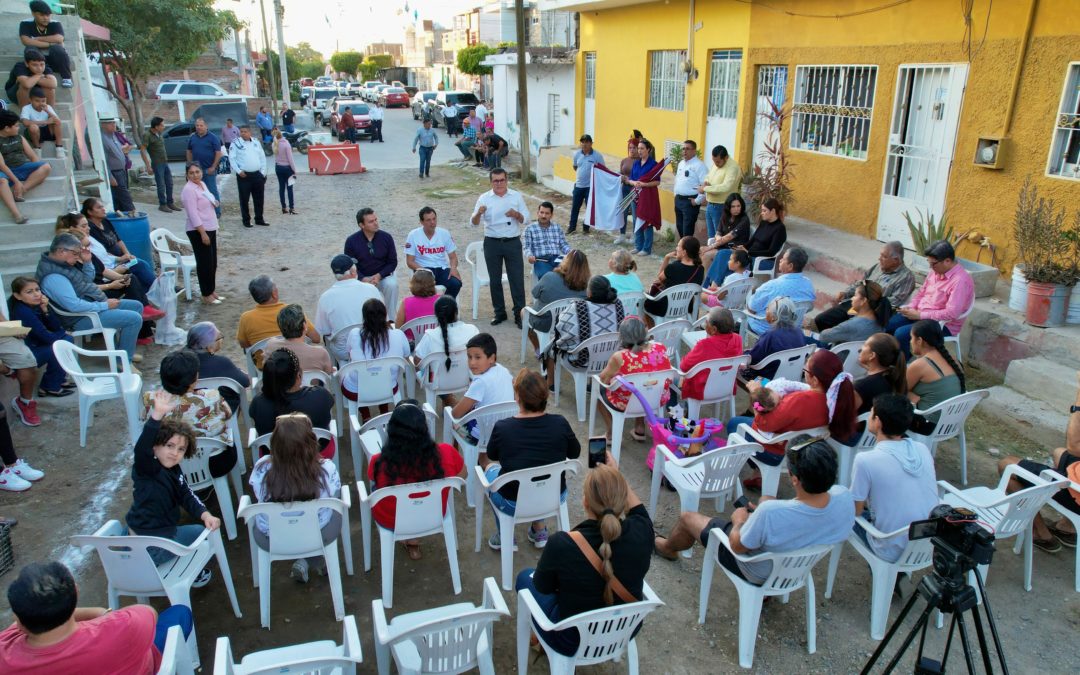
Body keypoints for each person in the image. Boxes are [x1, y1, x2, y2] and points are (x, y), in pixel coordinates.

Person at [654, 437, 856, 585]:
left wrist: (739, 521)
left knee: (687, 518)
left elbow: (738, 546)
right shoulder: (844, 496)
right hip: (795, 569)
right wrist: (764, 509)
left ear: (795, 479)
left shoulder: (771, 512)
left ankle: (667, 548)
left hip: (756, 570)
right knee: (765, 500)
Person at [516, 459, 652, 655]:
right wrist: (616, 475)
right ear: (624, 501)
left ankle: (542, 639)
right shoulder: (642, 530)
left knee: (524, 577)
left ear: (585, 502)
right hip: (625, 630)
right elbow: (638, 509)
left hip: (571, 640)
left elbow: (543, 587)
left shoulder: (562, 544)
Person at [0, 560, 192, 672]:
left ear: (19, 621)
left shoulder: (5, 654)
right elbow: (150, 613)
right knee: (180, 613)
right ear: (76, 592)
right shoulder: (123, 627)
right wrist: (103, 613)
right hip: (138, 662)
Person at [481, 369, 580, 549]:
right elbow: (575, 453)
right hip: (554, 496)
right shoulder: (560, 422)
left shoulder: (503, 428)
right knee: (539, 473)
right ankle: (538, 529)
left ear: (517, 396)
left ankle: (505, 536)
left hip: (512, 502)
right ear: (545, 397)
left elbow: (493, 455)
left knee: (490, 469)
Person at [126, 389, 222, 575]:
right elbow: (140, 450)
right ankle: (194, 572)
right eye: (169, 446)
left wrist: (205, 514)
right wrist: (156, 416)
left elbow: (186, 494)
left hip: (151, 535)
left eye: (181, 449)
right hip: (153, 546)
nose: (175, 453)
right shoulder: (147, 468)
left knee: (200, 526)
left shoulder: (174, 470)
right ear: (154, 446)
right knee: (201, 535)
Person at [728, 349, 857, 478]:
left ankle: (751, 471)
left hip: (778, 452)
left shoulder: (799, 401)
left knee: (734, 424)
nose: (804, 373)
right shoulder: (837, 400)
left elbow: (763, 424)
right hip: (803, 448)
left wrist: (756, 394)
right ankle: (759, 475)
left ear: (816, 380)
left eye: (805, 371)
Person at [249, 413, 342, 582]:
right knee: (336, 499)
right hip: (319, 532)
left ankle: (306, 559)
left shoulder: (261, 468)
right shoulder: (326, 468)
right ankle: (313, 558)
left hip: (271, 536)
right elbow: (334, 491)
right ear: (311, 442)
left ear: (274, 443)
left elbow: (257, 494)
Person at [369, 401, 466, 560]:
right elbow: (462, 475)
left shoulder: (378, 461)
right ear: (424, 428)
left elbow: (373, 479)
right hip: (433, 514)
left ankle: (409, 539)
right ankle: (413, 539)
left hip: (391, 519)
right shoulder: (446, 452)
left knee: (375, 487)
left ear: (391, 430)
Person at [997, 372, 1080, 553]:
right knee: (1059, 453)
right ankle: (1068, 527)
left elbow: (1074, 445)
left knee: (1007, 466)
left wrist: (1079, 399)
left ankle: (1042, 534)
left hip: (1077, 493)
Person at [851, 394, 939, 562]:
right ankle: (896, 577)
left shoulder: (865, 460)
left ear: (878, 422)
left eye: (871, 413)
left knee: (845, 511)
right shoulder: (922, 449)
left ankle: (886, 574)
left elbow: (855, 510)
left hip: (890, 548)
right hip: (927, 543)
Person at [36, 233, 143, 365]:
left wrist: (87, 262)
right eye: (75, 253)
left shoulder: (62, 264)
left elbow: (87, 280)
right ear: (62, 251)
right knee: (133, 319)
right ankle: (123, 361)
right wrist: (104, 306)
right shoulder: (54, 277)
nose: (77, 257)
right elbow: (74, 306)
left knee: (136, 306)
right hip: (79, 317)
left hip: (91, 304)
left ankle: (123, 351)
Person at [150, 349, 238, 479]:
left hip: (169, 465)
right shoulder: (211, 396)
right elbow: (228, 414)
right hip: (215, 463)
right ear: (194, 378)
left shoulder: (151, 400)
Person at [886, 240, 974, 358]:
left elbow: (952, 313)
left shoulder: (960, 281)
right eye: (929, 262)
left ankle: (902, 367)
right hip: (921, 314)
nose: (930, 267)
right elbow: (922, 292)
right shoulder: (935, 271)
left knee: (901, 334)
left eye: (933, 263)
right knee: (888, 324)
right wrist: (911, 307)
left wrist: (921, 315)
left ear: (947, 261)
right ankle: (894, 359)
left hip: (942, 324)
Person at [249, 348, 336, 460]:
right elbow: (330, 402)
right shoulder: (320, 395)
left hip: (274, 460)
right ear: (298, 377)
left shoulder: (258, 403)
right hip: (317, 455)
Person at [595, 317, 672, 442]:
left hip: (628, 402)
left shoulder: (620, 356)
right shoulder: (660, 347)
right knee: (645, 387)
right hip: (657, 398)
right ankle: (639, 428)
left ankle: (611, 433)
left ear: (623, 336)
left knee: (599, 390)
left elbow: (603, 379)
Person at [814, 241, 916, 333]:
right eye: (880, 255)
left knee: (840, 331)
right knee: (821, 320)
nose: (879, 259)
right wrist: (846, 293)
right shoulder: (878, 267)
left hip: (869, 314)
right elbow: (861, 283)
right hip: (855, 304)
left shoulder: (906, 277)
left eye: (884, 257)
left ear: (896, 260)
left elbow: (892, 303)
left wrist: (867, 305)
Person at [471, 168, 528, 327]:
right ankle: (499, 312)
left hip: (512, 242)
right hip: (492, 242)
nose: (499, 183)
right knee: (494, 280)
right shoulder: (484, 198)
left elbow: (527, 219)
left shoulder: (516, 196)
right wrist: (478, 214)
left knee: (516, 279)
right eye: (495, 181)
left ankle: (519, 314)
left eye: (502, 180)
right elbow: (473, 223)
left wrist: (516, 214)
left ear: (506, 180)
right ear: (491, 182)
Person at [549, 275, 626, 389]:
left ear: (589, 293)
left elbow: (561, 328)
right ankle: (591, 385)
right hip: (611, 358)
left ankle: (550, 384)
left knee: (550, 348)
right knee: (593, 340)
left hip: (581, 361)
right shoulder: (618, 305)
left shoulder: (578, 307)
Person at [7, 275, 72, 400]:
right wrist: (62, 333)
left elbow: (55, 326)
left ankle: (55, 381)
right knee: (62, 343)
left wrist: (45, 309)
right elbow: (46, 337)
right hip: (25, 354)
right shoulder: (22, 311)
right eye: (29, 292)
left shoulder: (33, 305)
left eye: (37, 290)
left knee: (65, 340)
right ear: (17, 296)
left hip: (35, 346)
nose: (36, 294)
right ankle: (50, 386)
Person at [341, 298, 410, 415]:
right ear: (385, 315)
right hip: (388, 389)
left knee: (344, 371)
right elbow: (406, 356)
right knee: (382, 375)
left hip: (356, 391)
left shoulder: (354, 334)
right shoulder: (398, 334)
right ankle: (384, 411)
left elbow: (349, 355)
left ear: (364, 317)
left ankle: (365, 415)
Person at [236, 275, 320, 366]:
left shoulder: (246, 318)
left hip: (266, 370)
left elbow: (244, 345)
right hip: (297, 366)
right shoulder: (291, 312)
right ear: (274, 294)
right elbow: (316, 338)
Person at [81, 197, 156, 292]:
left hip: (120, 258)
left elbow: (118, 240)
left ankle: (153, 291)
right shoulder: (91, 229)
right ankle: (159, 289)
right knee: (140, 265)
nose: (103, 209)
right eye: (99, 207)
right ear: (90, 212)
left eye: (102, 206)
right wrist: (119, 259)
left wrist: (127, 254)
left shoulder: (105, 221)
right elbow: (102, 254)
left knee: (141, 263)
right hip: (112, 262)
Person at [315, 255, 381, 362]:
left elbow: (325, 331)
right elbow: (383, 319)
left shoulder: (325, 298)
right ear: (353, 272)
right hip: (372, 345)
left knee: (328, 338)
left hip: (344, 351)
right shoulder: (371, 289)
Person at [906, 320, 964, 434]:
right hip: (950, 423)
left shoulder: (921, 365)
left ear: (920, 341)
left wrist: (911, 395)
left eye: (911, 338)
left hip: (927, 425)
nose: (910, 341)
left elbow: (897, 390)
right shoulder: (954, 360)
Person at [744, 247, 815, 335]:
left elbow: (752, 308)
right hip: (793, 330)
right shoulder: (808, 284)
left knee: (745, 312)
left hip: (766, 330)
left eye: (784, 259)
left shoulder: (772, 286)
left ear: (790, 266)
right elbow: (809, 307)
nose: (780, 260)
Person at [678, 307, 744, 402]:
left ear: (714, 329)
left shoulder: (704, 345)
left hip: (702, 389)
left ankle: (679, 412)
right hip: (726, 386)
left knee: (671, 380)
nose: (704, 324)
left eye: (706, 322)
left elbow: (684, 367)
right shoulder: (738, 339)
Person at [448, 333, 515, 426]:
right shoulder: (503, 370)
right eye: (469, 357)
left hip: (485, 432)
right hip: (507, 427)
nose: (472, 362)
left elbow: (456, 414)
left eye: (477, 357)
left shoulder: (480, 382)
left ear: (491, 358)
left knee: (455, 424)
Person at [180, 162, 222, 305]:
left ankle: (211, 290)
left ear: (201, 172)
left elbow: (208, 198)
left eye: (197, 172)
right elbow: (192, 214)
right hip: (198, 229)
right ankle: (206, 294)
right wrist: (202, 233)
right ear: (187, 175)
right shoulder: (188, 190)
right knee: (204, 263)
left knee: (212, 262)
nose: (195, 175)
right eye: (191, 173)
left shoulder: (202, 184)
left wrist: (214, 202)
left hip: (210, 226)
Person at [344, 208, 399, 315]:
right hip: (362, 278)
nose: (376, 223)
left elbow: (393, 262)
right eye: (371, 221)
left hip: (383, 276)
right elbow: (350, 265)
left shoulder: (386, 237)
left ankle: (391, 318)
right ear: (361, 225)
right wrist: (362, 278)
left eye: (376, 220)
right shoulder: (351, 241)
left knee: (392, 285)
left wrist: (379, 275)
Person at [185, 321, 250, 412]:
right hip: (219, 409)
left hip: (186, 407)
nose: (221, 340)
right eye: (219, 338)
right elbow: (245, 382)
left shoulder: (177, 360)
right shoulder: (221, 363)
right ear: (209, 347)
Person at [0, 108, 49, 223]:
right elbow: (2, 165)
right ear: (7, 128)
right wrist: (16, 181)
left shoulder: (19, 138)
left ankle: (20, 191)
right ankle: (17, 215)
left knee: (46, 166)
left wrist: (38, 172)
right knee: (2, 181)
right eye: (16, 126)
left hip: (21, 167)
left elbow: (33, 157)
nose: (19, 128)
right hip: (4, 171)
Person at [741, 297, 806, 380]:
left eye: (767, 309)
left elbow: (753, 360)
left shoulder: (770, 335)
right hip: (791, 373)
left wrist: (745, 353)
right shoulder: (799, 332)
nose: (766, 311)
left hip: (769, 377)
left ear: (773, 317)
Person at [643, 235, 704, 321]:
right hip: (686, 306)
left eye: (678, 246)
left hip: (667, 307)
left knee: (646, 303)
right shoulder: (700, 269)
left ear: (684, 252)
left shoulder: (673, 267)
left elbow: (659, 278)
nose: (676, 248)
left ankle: (652, 332)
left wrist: (666, 258)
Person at [405, 206, 461, 298]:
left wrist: (453, 268)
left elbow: (453, 257)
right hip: (423, 269)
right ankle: (428, 309)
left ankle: (443, 307)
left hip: (441, 268)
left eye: (434, 219)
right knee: (423, 288)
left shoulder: (444, 233)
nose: (432, 222)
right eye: (428, 220)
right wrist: (424, 271)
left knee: (456, 283)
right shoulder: (413, 235)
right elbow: (410, 261)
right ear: (421, 222)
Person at [530, 249, 589, 336]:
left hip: (547, 324)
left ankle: (538, 348)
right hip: (572, 324)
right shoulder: (586, 285)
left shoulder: (549, 277)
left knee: (524, 312)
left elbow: (535, 294)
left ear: (565, 262)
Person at [414, 296, 479, 373]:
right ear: (456, 312)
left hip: (436, 384)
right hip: (468, 381)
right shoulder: (472, 330)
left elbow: (417, 362)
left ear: (436, 315)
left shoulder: (430, 336)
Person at [817, 280, 891, 346]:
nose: (852, 298)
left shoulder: (851, 325)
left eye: (855, 295)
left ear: (864, 301)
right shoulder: (880, 322)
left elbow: (823, 337)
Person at [265, 303, 333, 375]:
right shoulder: (321, 353)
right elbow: (328, 374)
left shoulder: (270, 345)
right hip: (312, 386)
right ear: (304, 326)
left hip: (282, 385)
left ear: (281, 327)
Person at [19, 2, 73, 88]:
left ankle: (66, 78)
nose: (46, 18)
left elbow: (59, 38)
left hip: (55, 60)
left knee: (57, 48)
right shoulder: (25, 23)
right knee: (30, 48)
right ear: (33, 14)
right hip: (37, 62)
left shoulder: (55, 23)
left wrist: (37, 39)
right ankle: (36, 76)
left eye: (48, 15)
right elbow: (26, 41)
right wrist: (50, 43)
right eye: (42, 15)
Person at [701, 192, 751, 286]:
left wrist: (710, 247)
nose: (736, 209)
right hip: (723, 246)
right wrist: (718, 237)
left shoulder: (744, 220)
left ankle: (710, 285)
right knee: (704, 254)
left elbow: (729, 237)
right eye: (733, 206)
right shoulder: (725, 216)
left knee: (710, 253)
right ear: (728, 207)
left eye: (738, 206)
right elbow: (718, 232)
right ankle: (706, 282)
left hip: (735, 250)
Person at [853, 333, 907, 415]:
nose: (860, 349)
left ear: (872, 355)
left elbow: (844, 416)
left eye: (865, 345)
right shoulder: (895, 376)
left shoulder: (861, 386)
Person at [626, 139, 662, 256]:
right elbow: (630, 179)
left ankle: (646, 248)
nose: (639, 151)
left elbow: (657, 182)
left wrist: (645, 184)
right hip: (635, 195)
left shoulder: (653, 165)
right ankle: (638, 245)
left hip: (647, 197)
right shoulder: (636, 163)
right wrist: (634, 183)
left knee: (647, 221)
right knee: (636, 220)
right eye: (638, 148)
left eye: (642, 148)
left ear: (648, 150)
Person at [228, 125, 268, 228]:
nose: (243, 133)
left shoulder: (256, 142)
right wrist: (238, 171)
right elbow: (232, 159)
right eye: (241, 132)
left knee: (259, 198)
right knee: (244, 199)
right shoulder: (235, 143)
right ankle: (246, 220)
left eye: (245, 131)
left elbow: (262, 157)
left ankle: (259, 219)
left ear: (250, 132)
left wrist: (262, 173)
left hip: (257, 175)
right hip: (244, 176)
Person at [700, 145, 741, 239]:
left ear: (726, 157)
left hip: (721, 206)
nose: (715, 164)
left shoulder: (732, 167)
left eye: (718, 162)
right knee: (711, 237)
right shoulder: (716, 163)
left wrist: (705, 189)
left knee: (719, 237)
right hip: (710, 204)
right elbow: (709, 175)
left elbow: (726, 187)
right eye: (714, 161)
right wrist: (706, 182)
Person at [524, 201, 572, 281]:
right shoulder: (530, 229)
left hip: (557, 258)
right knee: (547, 278)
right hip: (541, 260)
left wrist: (571, 252)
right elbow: (526, 247)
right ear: (537, 213)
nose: (543, 215)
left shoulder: (557, 227)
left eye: (547, 213)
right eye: (541, 212)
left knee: (571, 273)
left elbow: (563, 245)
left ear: (551, 215)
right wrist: (529, 256)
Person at [185, 117, 223, 216]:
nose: (199, 127)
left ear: (206, 126)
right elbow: (189, 151)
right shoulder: (192, 137)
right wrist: (190, 165)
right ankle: (201, 211)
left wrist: (213, 167)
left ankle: (216, 212)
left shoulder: (213, 137)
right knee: (197, 192)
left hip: (208, 170)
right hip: (195, 171)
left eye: (201, 125)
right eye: (197, 125)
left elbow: (218, 153)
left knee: (211, 191)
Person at [567, 135, 605, 235]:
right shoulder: (577, 154)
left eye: (587, 142)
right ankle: (572, 227)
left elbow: (602, 169)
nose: (584, 144)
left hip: (590, 187)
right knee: (575, 207)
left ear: (591, 143)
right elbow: (575, 167)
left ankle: (586, 228)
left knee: (589, 209)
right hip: (578, 186)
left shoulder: (597, 156)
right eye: (582, 142)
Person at [99, 117, 136, 213]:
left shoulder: (114, 136)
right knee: (123, 196)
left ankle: (126, 213)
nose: (113, 125)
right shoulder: (103, 139)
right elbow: (104, 160)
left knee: (121, 196)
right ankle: (132, 213)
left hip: (122, 170)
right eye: (110, 123)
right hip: (114, 172)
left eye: (113, 122)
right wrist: (110, 176)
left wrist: (124, 152)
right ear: (103, 125)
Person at [142, 116, 178, 213]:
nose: (164, 126)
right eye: (162, 125)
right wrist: (148, 166)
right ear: (156, 126)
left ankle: (170, 202)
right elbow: (143, 150)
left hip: (165, 162)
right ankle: (162, 204)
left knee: (169, 183)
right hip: (157, 163)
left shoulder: (159, 134)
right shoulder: (147, 135)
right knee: (161, 185)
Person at [613, 131, 644, 245]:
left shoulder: (641, 162)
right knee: (623, 212)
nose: (631, 150)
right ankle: (622, 234)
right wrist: (620, 177)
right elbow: (620, 173)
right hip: (625, 189)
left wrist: (630, 181)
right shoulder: (624, 160)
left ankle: (636, 236)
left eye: (634, 147)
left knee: (635, 214)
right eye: (630, 147)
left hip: (635, 191)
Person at [673, 139, 707, 239]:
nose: (684, 151)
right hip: (679, 200)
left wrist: (697, 201)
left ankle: (687, 251)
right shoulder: (681, 164)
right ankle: (682, 249)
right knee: (680, 226)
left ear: (694, 151)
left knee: (687, 230)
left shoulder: (700, 165)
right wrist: (675, 195)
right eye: (683, 148)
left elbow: (705, 185)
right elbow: (677, 180)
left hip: (690, 201)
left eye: (687, 149)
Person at [744, 198, 787, 268]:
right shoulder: (763, 222)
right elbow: (753, 239)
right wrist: (743, 247)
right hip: (751, 255)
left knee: (737, 262)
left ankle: (733, 278)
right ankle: (724, 278)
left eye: (764, 211)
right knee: (725, 254)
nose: (761, 213)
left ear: (773, 211)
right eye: (762, 210)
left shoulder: (780, 228)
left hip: (764, 261)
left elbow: (771, 252)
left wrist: (749, 253)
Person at [396, 269, 438, 341]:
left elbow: (398, 327)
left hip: (412, 344)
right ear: (433, 284)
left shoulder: (406, 302)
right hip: (435, 343)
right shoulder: (441, 300)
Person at [19, 86, 62, 156]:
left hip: (46, 130)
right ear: (30, 100)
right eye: (37, 101)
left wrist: (47, 111)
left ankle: (59, 147)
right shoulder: (26, 108)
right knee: (33, 127)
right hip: (33, 133)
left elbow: (57, 121)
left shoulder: (47, 107)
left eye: (43, 101)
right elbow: (25, 123)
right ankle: (37, 148)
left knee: (57, 121)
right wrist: (45, 122)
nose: (41, 103)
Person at [273, 128, 297, 215]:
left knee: (281, 188)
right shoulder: (286, 144)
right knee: (290, 188)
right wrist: (294, 169)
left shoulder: (274, 144)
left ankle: (283, 207)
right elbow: (290, 159)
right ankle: (292, 208)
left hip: (278, 167)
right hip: (287, 168)